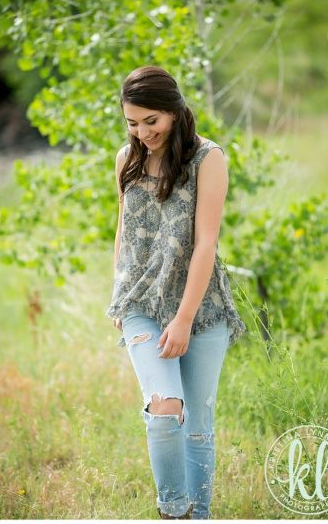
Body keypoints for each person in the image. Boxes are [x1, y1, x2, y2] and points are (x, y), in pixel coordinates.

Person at [106, 66, 245, 519]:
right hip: (142, 304)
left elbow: (206, 242)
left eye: (151, 121)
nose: (142, 132)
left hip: (202, 308)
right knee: (165, 411)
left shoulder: (208, 158)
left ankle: (198, 517)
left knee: (198, 428)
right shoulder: (126, 159)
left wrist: (184, 318)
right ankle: (174, 511)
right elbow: (123, 231)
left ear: (174, 111)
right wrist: (118, 293)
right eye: (132, 122)